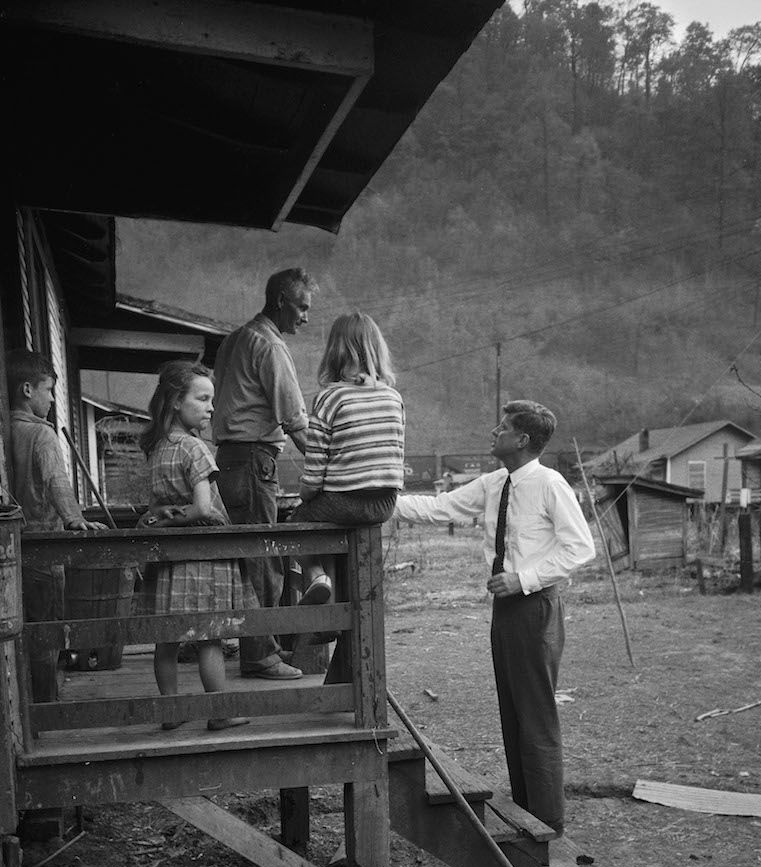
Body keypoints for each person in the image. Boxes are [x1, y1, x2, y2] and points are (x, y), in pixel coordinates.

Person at [395, 401, 596, 835]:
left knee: (535, 712)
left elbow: (580, 548)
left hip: (535, 606)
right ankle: (526, 810)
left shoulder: (549, 484)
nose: (493, 432)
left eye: (502, 427)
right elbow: (442, 507)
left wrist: (523, 579)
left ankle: (549, 821)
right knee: (512, 711)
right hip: (504, 609)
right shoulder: (495, 483)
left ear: (521, 440)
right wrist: (385, 502)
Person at [212, 267, 317, 680]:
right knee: (262, 561)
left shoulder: (234, 339)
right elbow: (293, 418)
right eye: (302, 307)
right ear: (280, 302)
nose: (305, 317)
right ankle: (261, 656)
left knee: (247, 559)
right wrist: (327, 466)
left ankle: (255, 648)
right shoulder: (269, 346)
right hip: (254, 461)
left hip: (230, 458)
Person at [139, 360, 254, 732]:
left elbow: (155, 507)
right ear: (175, 400)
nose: (209, 407)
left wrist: (165, 518)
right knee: (210, 638)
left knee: (167, 639)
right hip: (204, 555)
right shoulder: (195, 448)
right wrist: (185, 516)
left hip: (168, 558)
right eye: (202, 398)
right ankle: (219, 713)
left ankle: (171, 711)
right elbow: (204, 507)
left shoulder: (156, 448)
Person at [7, 348, 105, 702]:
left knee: (20, 633)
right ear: (27, 390)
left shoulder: (7, 432)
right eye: (49, 390)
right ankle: (46, 708)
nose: (52, 399)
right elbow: (56, 481)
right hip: (42, 546)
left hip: (13, 547)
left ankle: (26, 707)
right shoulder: (42, 434)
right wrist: (74, 518)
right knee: (45, 634)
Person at [290, 312, 406, 606]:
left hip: (342, 502)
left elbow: (314, 475)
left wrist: (305, 498)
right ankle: (334, 603)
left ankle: (318, 578)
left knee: (296, 525)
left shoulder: (330, 398)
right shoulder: (393, 398)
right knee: (330, 524)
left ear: (334, 351)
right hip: (384, 505)